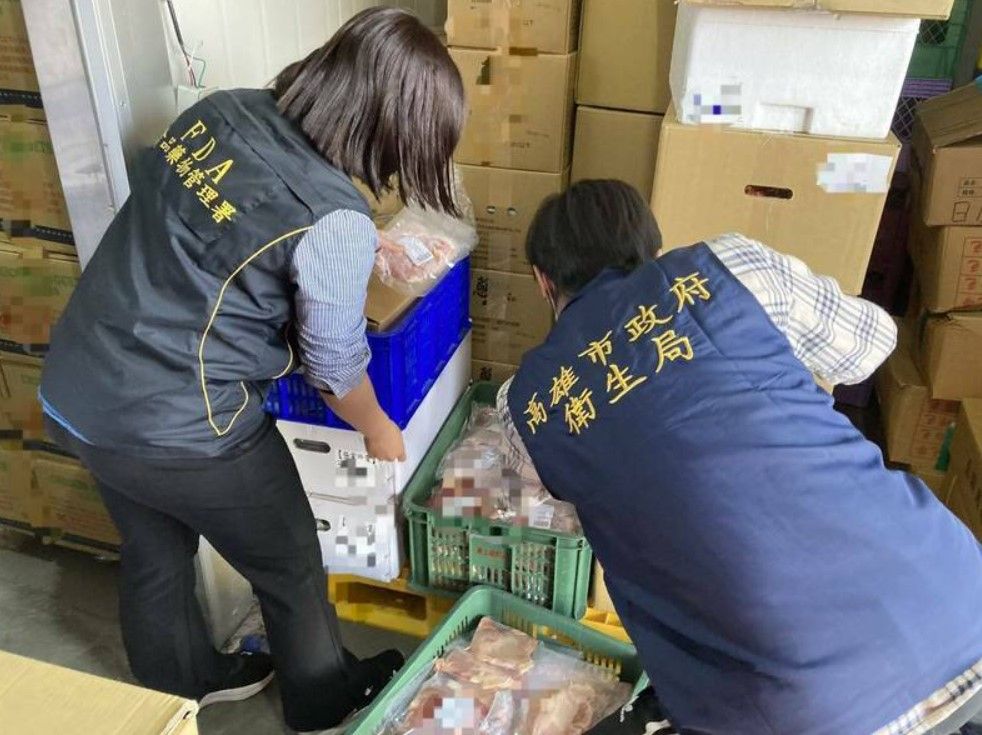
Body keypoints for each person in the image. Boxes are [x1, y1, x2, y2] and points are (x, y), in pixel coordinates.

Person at [38, 8, 464, 733]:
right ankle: (323, 699)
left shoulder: (220, 111)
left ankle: (177, 688)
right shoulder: (332, 216)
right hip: (181, 419)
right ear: (389, 130)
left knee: (154, 546)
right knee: (289, 561)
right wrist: (377, 427)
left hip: (79, 387)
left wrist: (350, 251)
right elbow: (334, 365)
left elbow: (215, 240)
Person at [497, 180, 982, 735]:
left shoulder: (524, 407)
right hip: (955, 599)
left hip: (800, 710)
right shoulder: (729, 266)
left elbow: (561, 494)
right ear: (651, 246)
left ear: (543, 281)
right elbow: (871, 344)